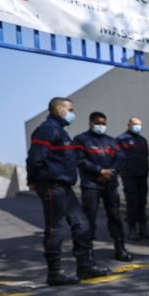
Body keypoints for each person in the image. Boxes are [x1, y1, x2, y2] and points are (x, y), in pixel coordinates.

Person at [26, 97, 111, 286]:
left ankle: (85, 266)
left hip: (64, 186)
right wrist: (32, 180)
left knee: (82, 224)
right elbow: (34, 158)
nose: (73, 113)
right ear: (58, 109)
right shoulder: (47, 129)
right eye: (70, 109)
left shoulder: (61, 132)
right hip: (51, 185)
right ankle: (54, 273)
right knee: (55, 229)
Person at [74, 112, 132, 262]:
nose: (101, 126)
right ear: (90, 123)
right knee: (89, 218)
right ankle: (88, 254)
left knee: (115, 216)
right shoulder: (81, 140)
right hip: (91, 185)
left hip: (110, 184)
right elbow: (80, 161)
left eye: (104, 123)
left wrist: (110, 172)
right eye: (98, 123)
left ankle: (120, 249)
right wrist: (99, 171)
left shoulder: (112, 141)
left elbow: (120, 159)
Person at [116, 116, 149, 241]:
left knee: (142, 201)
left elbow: (146, 156)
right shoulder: (121, 140)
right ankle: (132, 229)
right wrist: (123, 171)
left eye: (140, 124)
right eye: (136, 124)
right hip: (129, 176)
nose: (138, 127)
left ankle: (144, 229)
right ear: (129, 124)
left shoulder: (143, 140)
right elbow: (118, 158)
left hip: (142, 175)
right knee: (132, 202)